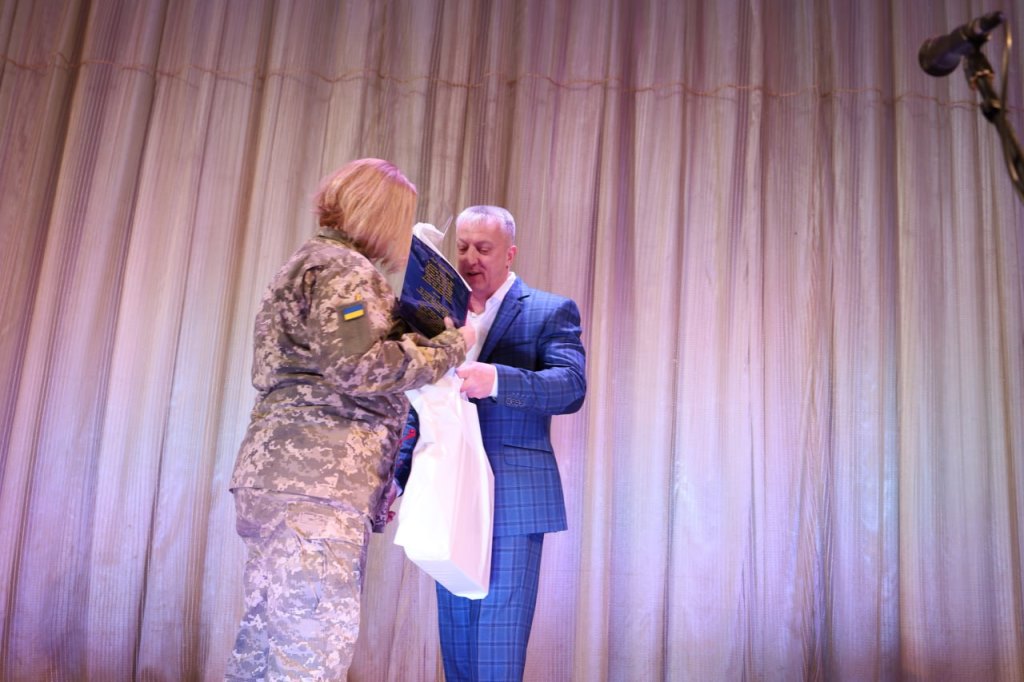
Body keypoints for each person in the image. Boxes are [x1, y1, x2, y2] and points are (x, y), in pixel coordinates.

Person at [225, 158, 475, 681]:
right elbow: (357, 366)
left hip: (286, 482)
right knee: (309, 658)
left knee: (264, 652)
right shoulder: (345, 270)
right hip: (316, 489)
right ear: (381, 215)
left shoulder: (312, 262)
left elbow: (341, 356)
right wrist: (451, 346)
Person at [396, 205, 587, 681]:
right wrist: (397, 478)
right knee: (459, 650)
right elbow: (418, 405)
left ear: (510, 253)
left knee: (496, 653)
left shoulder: (549, 310)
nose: (469, 258)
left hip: (514, 499)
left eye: (483, 248)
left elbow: (571, 387)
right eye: (462, 247)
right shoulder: (436, 318)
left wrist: (497, 380)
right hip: (448, 495)